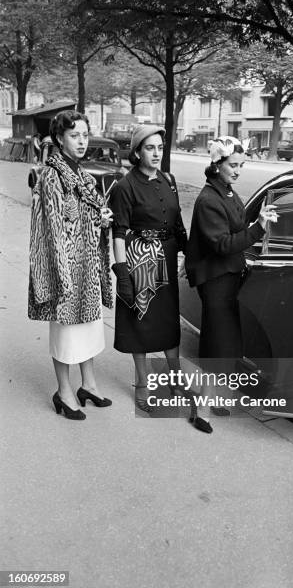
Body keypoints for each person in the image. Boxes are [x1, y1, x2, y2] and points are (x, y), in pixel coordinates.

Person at [185, 136, 278, 432]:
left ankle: (210, 400)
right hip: (215, 281)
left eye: (241, 165)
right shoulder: (208, 199)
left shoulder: (226, 192)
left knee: (227, 345)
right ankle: (201, 407)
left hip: (228, 277)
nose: (238, 171)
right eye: (233, 165)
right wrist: (257, 228)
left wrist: (258, 221)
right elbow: (223, 244)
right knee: (217, 344)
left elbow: (237, 229)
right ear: (217, 165)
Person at [28, 110, 114, 420]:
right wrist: (60, 274)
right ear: (60, 139)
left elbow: (85, 218)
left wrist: (100, 220)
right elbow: (51, 228)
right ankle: (64, 392)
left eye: (84, 135)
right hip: (65, 268)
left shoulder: (86, 177)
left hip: (86, 268)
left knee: (89, 329)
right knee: (65, 333)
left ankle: (88, 385)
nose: (81, 141)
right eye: (74, 135)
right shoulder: (52, 175)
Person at [109, 124, 187, 413]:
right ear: (137, 152)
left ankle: (176, 379)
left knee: (168, 322)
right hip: (140, 260)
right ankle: (142, 383)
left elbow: (178, 224)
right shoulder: (125, 186)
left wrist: (187, 255)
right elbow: (118, 232)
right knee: (139, 322)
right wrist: (122, 273)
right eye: (149, 148)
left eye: (159, 147)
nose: (156, 153)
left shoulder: (168, 179)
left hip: (166, 257)